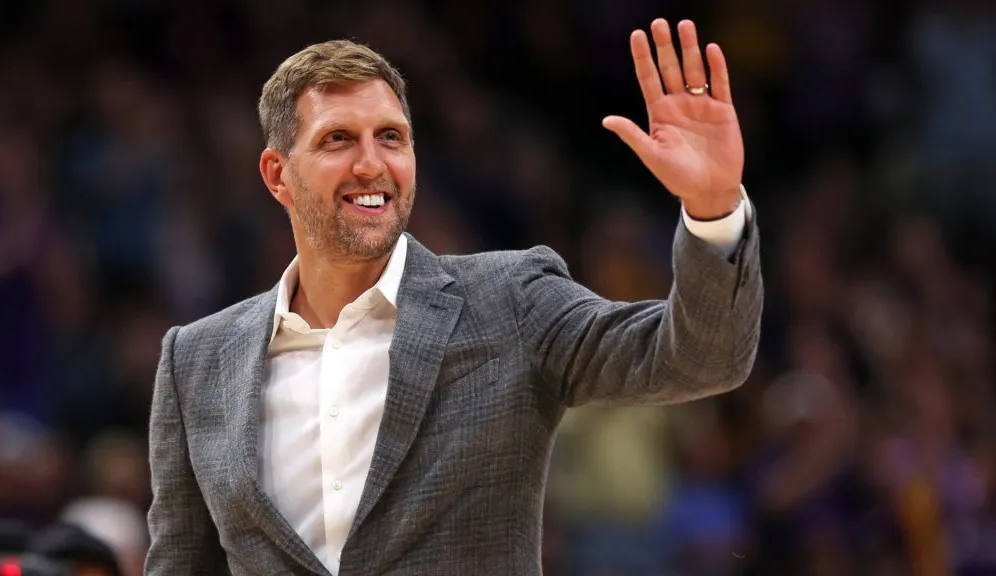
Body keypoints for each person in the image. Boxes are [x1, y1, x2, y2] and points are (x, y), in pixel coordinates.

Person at [145, 17, 763, 576]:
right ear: (278, 174)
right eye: (338, 140)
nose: (372, 164)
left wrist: (712, 211)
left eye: (391, 137)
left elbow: (701, 359)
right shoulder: (196, 361)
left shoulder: (510, 301)